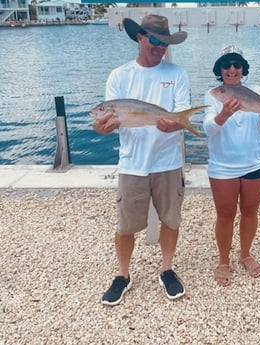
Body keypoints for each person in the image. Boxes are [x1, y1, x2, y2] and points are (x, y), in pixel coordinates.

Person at [93, 15, 190, 305]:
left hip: (168, 162)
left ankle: (167, 269)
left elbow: (182, 116)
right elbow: (105, 122)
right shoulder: (119, 76)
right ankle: (122, 275)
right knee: (124, 226)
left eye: (165, 42)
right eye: (156, 41)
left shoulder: (177, 74)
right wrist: (102, 126)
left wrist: (176, 124)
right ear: (140, 38)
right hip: (132, 164)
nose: (160, 47)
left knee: (170, 220)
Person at [203, 46, 260, 287]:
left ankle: (245, 254)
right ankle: (224, 260)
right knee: (225, 215)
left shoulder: (256, 91)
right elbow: (208, 128)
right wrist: (223, 115)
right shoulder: (214, 94)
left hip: (255, 162)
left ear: (243, 69)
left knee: (250, 211)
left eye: (237, 64)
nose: (232, 69)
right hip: (223, 166)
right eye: (226, 65)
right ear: (220, 70)